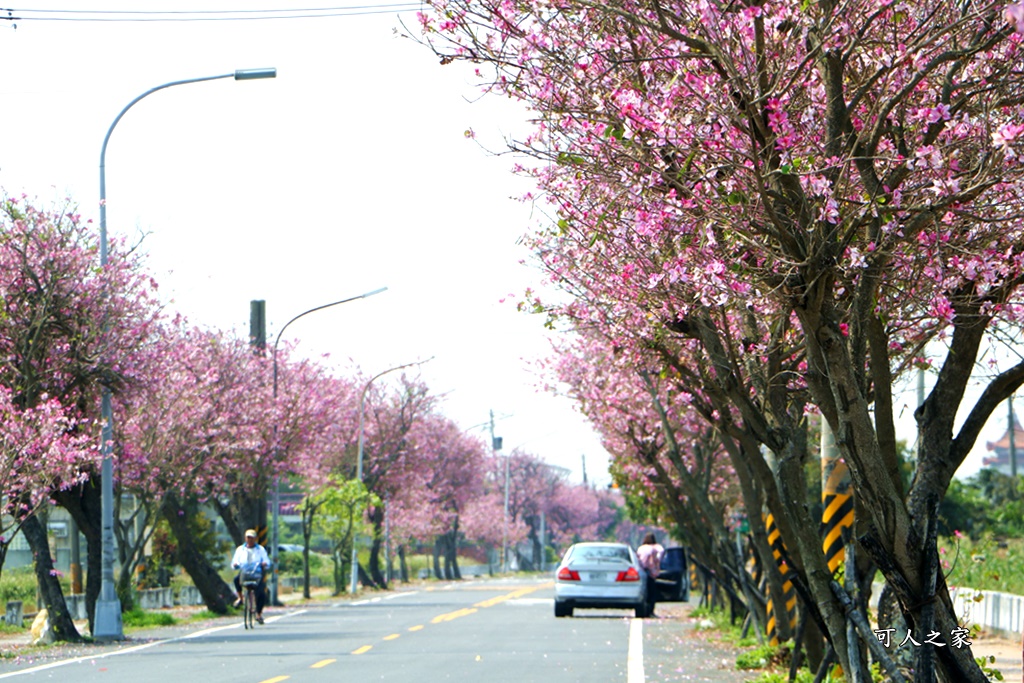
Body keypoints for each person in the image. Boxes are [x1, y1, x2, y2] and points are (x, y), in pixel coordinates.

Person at [231, 529, 270, 624]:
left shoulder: (260, 549)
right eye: (248, 538)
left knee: (261, 592)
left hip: (256, 573)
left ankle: (259, 614)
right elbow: (234, 562)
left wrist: (264, 564)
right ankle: (241, 598)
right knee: (236, 580)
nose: (250, 540)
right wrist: (235, 565)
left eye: (252, 538)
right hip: (245, 572)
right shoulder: (240, 549)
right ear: (245, 538)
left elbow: (267, 561)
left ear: (255, 538)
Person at [636, 532, 665, 617]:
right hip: (650, 572)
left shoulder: (640, 548)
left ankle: (643, 610)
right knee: (652, 592)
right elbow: (661, 554)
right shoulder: (655, 548)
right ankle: (650, 611)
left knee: (644, 592)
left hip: (641, 571)